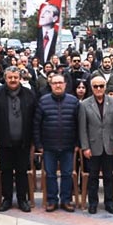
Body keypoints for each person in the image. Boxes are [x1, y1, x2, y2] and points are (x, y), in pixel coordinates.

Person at [0, 66, 35, 212]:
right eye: (10, 77)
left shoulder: (29, 94)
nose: (13, 80)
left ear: (19, 78)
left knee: (22, 171)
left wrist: (34, 138)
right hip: (4, 141)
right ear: (5, 78)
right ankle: (7, 199)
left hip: (23, 141)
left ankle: (22, 200)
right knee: (6, 171)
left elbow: (34, 118)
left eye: (15, 77)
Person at [34, 74, 79, 212]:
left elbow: (79, 124)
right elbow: (36, 125)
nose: (58, 85)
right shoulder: (43, 101)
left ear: (65, 84)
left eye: (60, 82)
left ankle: (66, 200)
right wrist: (39, 144)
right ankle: (52, 200)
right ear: (50, 85)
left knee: (67, 174)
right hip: (49, 146)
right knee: (50, 174)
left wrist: (77, 143)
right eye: (55, 83)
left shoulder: (73, 101)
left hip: (68, 145)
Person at [78, 75, 113, 214]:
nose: (99, 89)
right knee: (93, 177)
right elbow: (82, 128)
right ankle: (93, 203)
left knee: (108, 176)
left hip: (109, 145)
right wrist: (85, 147)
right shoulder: (84, 104)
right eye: (96, 86)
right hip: (93, 146)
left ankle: (109, 202)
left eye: (101, 86)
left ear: (105, 86)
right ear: (91, 87)